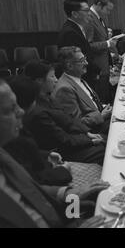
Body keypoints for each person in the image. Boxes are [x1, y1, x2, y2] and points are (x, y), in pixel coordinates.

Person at [0, 78, 109, 228]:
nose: (20, 111)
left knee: (95, 199)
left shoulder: (4, 153)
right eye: (10, 109)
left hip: (60, 207)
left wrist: (66, 194)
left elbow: (32, 191)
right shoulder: (15, 142)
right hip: (58, 176)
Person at [23, 61, 105, 164]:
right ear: (39, 81)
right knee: (105, 150)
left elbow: (69, 120)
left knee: (107, 139)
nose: (56, 80)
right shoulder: (38, 110)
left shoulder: (48, 97)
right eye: (52, 77)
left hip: (75, 140)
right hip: (62, 151)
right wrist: (90, 141)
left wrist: (87, 133)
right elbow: (62, 139)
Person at [53, 47, 112, 132]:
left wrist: (104, 108)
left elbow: (91, 103)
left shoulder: (77, 77)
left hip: (102, 118)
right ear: (69, 66)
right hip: (94, 131)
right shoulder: (64, 89)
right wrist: (101, 116)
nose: (87, 63)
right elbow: (76, 123)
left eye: (85, 59)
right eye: (82, 61)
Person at [57, 0, 99, 87]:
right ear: (75, 14)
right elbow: (76, 61)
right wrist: (96, 71)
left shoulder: (76, 28)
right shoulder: (70, 33)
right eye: (86, 10)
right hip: (80, 80)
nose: (90, 14)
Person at [85, 0, 117, 104]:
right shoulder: (89, 18)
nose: (108, 13)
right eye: (107, 10)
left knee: (105, 97)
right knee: (101, 99)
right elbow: (88, 45)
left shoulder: (98, 17)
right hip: (97, 65)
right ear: (99, 5)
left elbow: (98, 37)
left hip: (103, 64)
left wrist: (107, 36)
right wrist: (107, 43)